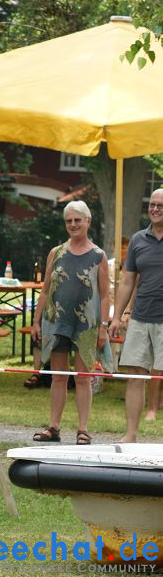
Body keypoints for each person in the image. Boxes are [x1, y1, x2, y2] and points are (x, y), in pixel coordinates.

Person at [31, 201, 111, 445]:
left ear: (88, 221)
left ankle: (83, 429)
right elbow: (45, 290)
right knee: (57, 376)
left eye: (78, 220)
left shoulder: (98, 256)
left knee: (84, 377)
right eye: (69, 221)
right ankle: (53, 427)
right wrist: (36, 322)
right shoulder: (56, 253)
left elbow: (106, 294)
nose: (73, 224)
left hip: (87, 325)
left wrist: (103, 327)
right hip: (57, 322)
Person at [110, 189, 163, 443]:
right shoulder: (137, 240)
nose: (155, 209)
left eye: (160, 205)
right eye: (152, 204)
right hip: (141, 318)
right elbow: (127, 281)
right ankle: (131, 434)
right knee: (135, 375)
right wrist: (117, 316)